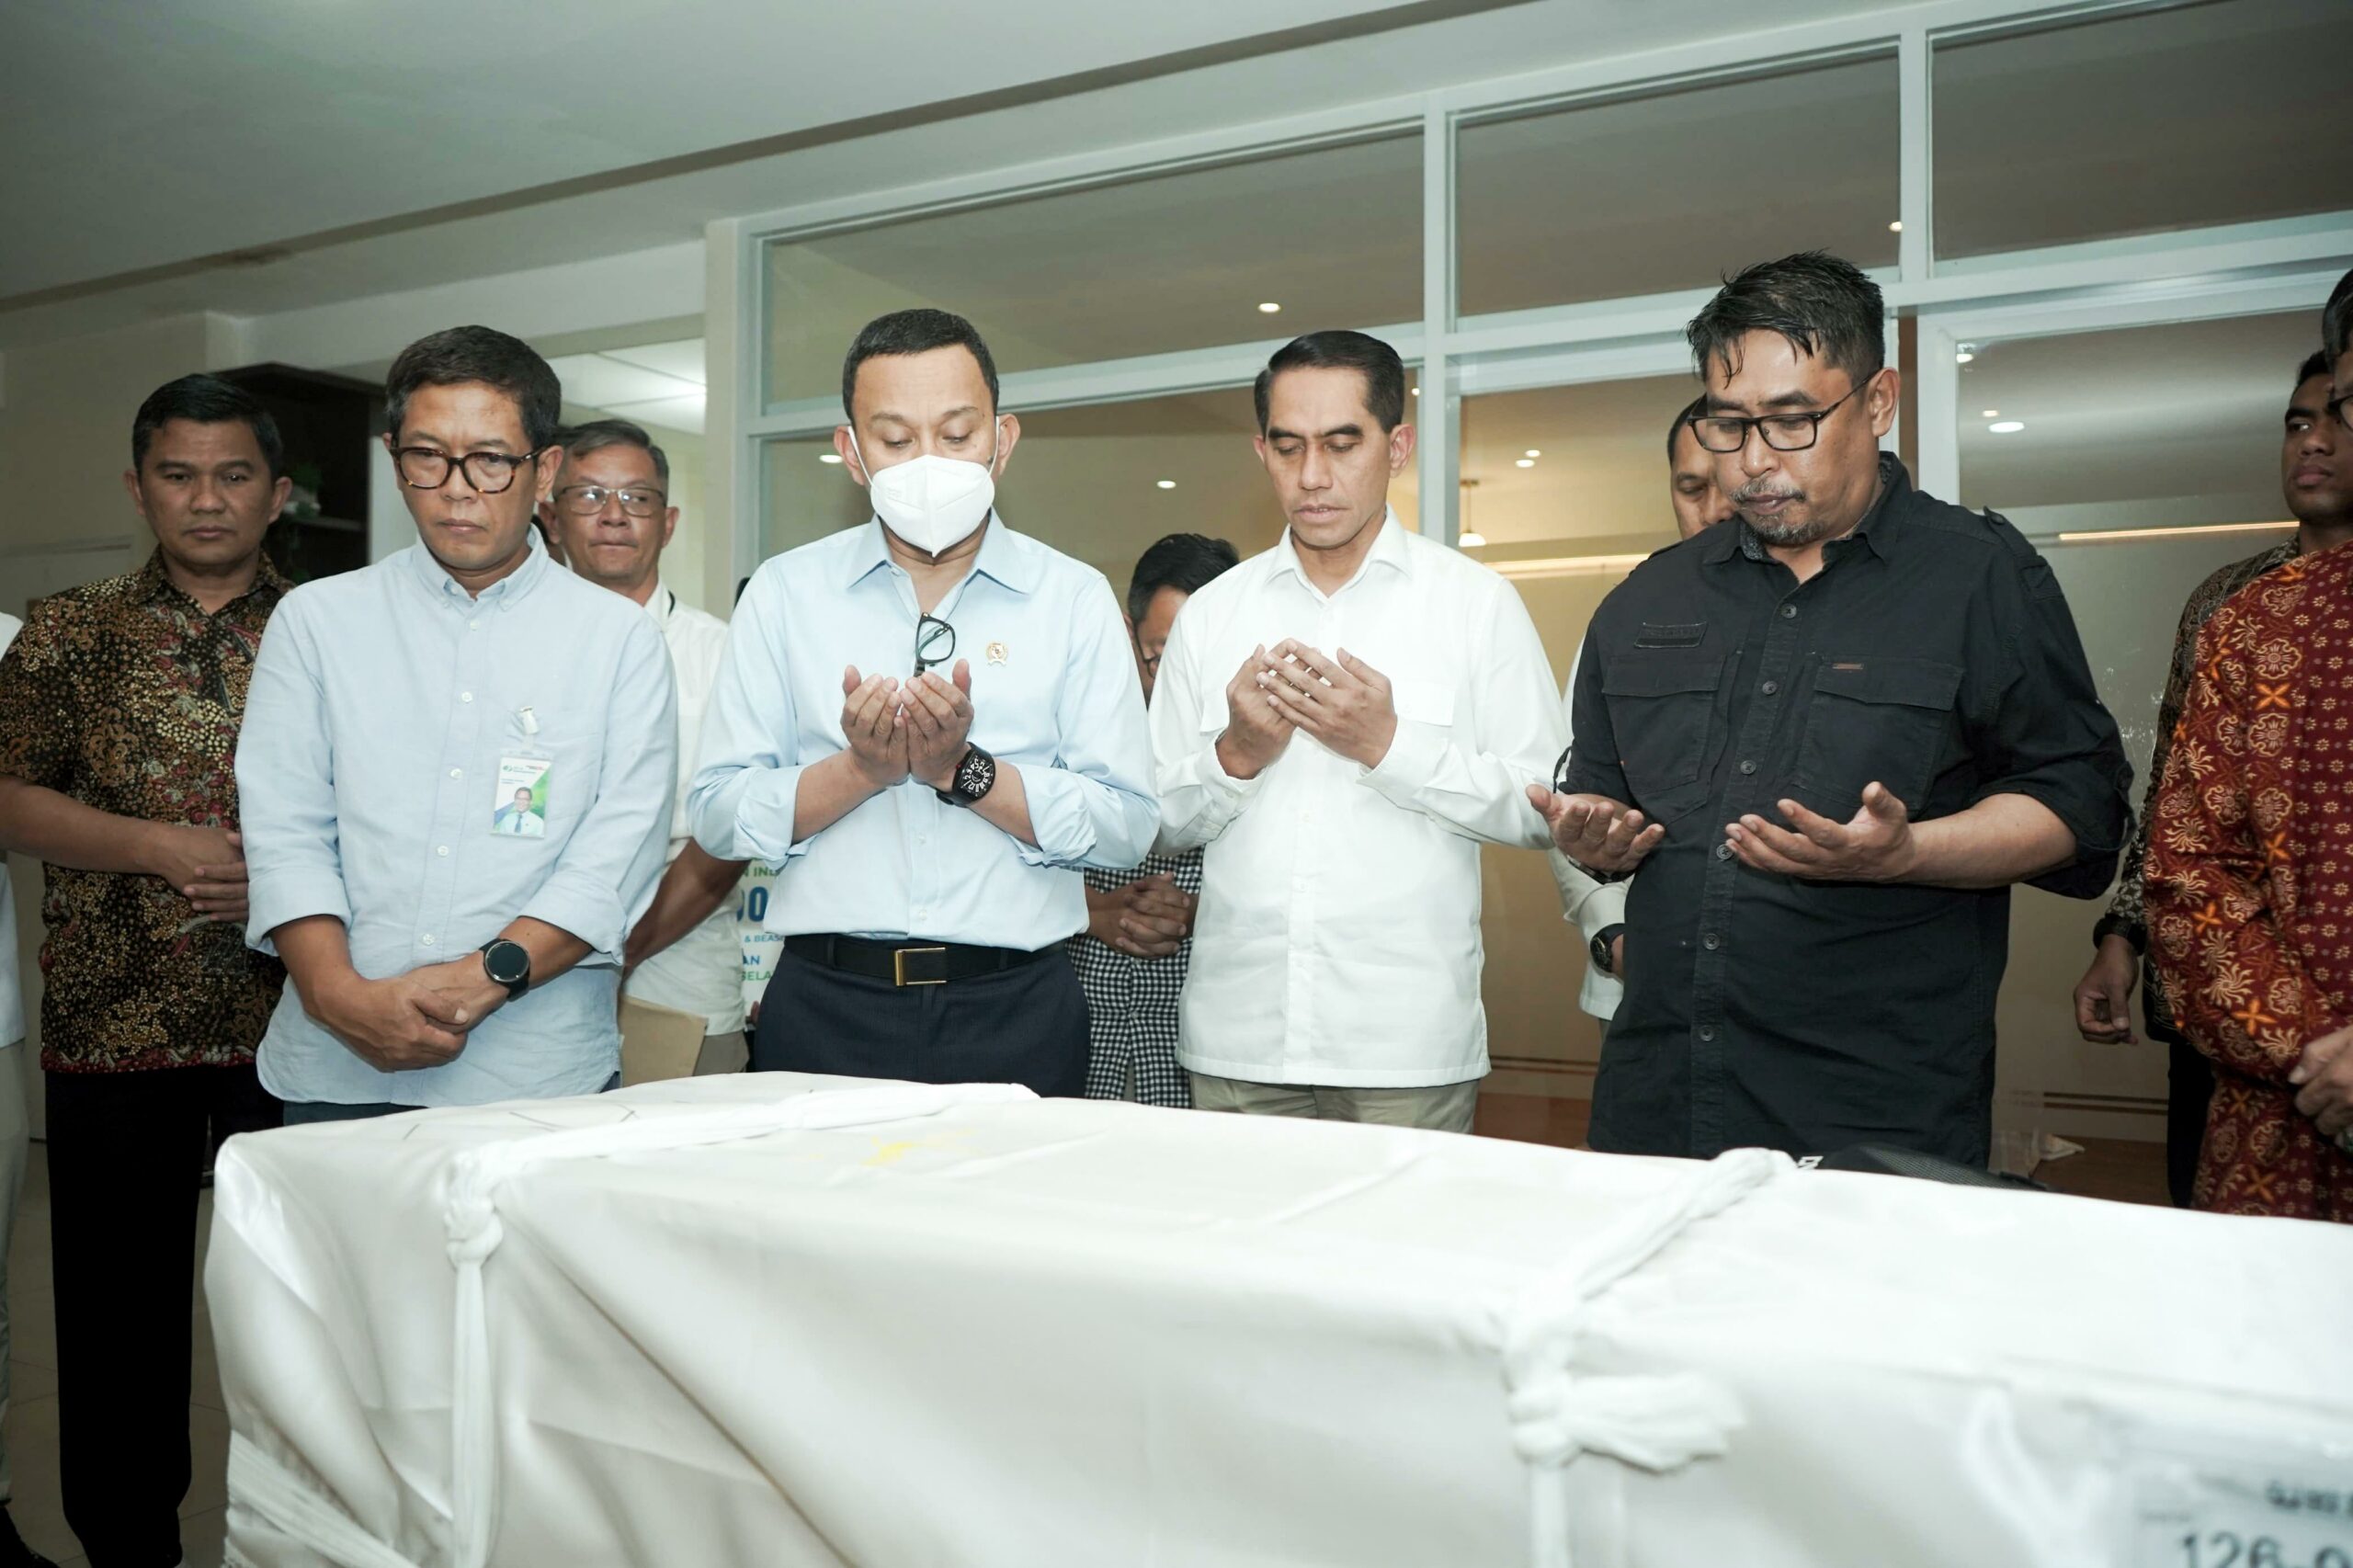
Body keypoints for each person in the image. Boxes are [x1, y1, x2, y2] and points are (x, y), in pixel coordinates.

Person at [1540, 252, 2131, 1167]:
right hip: (1660, 1102)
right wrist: (1596, 838)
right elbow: (1601, 797)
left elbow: (2080, 803)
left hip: (1875, 1114)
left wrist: (1909, 852)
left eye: (1792, 421)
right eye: (1727, 424)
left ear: (1878, 401)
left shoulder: (1978, 577)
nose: (1753, 461)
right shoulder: (1647, 599)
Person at [690, 308, 1156, 1096]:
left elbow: (1126, 826)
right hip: (826, 1004)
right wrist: (861, 771)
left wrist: (962, 771)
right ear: (853, 452)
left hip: (1017, 1006)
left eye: (957, 434)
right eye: (897, 440)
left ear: (1002, 441)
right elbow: (716, 813)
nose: (930, 464)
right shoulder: (784, 593)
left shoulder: (1072, 598)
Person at [0, 373, 293, 1568]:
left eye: (233, 475)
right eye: (179, 474)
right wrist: (156, 845)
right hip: (113, 1024)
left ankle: (302, 1539)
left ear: (278, 493)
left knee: (301, 1316)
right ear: (138, 488)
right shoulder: (67, 629)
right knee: (118, 1326)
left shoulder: (332, 626)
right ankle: (126, 1549)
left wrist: (281, 878)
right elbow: (8, 795)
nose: (206, 498)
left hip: (301, 1022)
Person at [237, 325, 676, 1121]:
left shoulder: (617, 639)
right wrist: (337, 996)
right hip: (334, 1066)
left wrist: (485, 979)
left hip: (534, 1073)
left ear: (545, 470)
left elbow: (618, 851)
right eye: (428, 456)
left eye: (491, 460)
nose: (457, 488)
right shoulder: (316, 621)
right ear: (394, 457)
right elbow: (285, 827)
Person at [1151, 330, 1562, 1134]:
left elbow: (1542, 804)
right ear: (1262, 451)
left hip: (1403, 1047)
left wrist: (1389, 746)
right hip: (1239, 1041)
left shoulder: (1474, 604)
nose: (1313, 475)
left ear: (1396, 447)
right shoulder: (1212, 615)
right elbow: (1156, 820)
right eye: (1288, 447)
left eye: (1342, 444)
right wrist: (1236, 756)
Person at [2071, 352, 2353, 1206]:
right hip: (2233, 999)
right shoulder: (2234, 603)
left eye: (2338, 416)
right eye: (2298, 422)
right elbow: (2175, 798)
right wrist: (2122, 939)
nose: (2314, 442)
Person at [547, 418, 750, 1075]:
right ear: (551, 519)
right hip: (523, 990)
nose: (614, 515)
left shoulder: (723, 656)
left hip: (678, 985)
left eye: (637, 498)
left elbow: (725, 842)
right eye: (589, 495)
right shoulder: (511, 653)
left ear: (668, 523)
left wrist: (611, 951)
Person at [1554, 395, 1736, 1022]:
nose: (1715, 509)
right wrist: (1613, 940)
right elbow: (1575, 802)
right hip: (1643, 993)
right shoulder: (1626, 618)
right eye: (1692, 488)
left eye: (1729, 483)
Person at [1067, 533, 1238, 1106]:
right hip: (1083, 1028)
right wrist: (1088, 909)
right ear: (1127, 632)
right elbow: (1007, 851)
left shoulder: (1265, 746)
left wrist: (1202, 913)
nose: (1177, 684)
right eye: (1161, 657)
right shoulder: (1075, 733)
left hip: (1206, 1043)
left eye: (1201, 661)